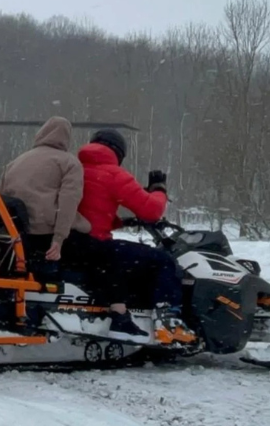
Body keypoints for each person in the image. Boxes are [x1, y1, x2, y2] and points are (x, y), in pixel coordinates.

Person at [76, 129, 193, 344]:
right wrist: (159, 190)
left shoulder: (75, 169)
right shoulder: (113, 173)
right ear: (119, 153)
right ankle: (168, 321)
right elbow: (152, 210)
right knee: (163, 261)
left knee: (123, 257)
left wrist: (121, 221)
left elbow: (89, 208)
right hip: (95, 245)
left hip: (72, 243)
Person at [0, 117, 93, 274]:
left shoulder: (16, 162)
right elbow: (68, 202)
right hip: (45, 235)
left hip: (16, 234)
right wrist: (58, 239)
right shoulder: (69, 163)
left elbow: (0, 197)